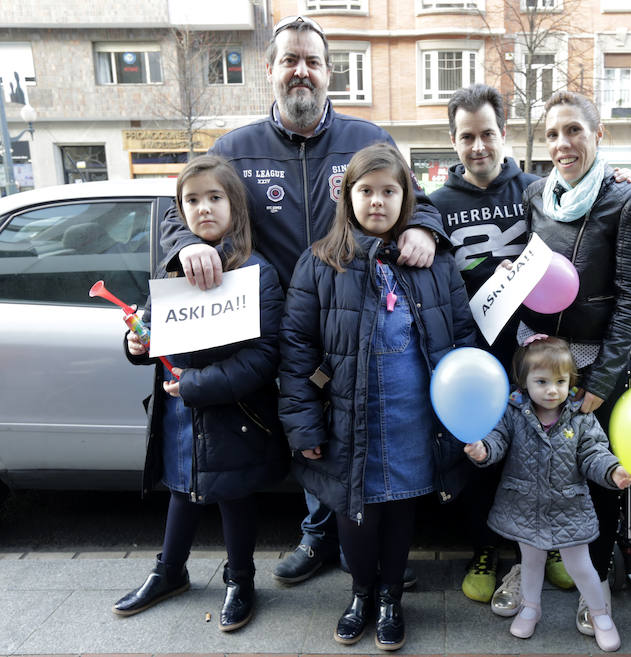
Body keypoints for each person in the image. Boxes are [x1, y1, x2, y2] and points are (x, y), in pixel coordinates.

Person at [159, 15, 445, 587]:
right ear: (269, 71)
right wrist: (187, 243)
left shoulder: (368, 140)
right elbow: (181, 209)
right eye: (289, 61)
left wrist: (427, 231)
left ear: (329, 72)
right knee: (309, 436)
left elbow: (416, 201)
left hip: (353, 321)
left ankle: (367, 552)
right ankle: (319, 538)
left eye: (312, 61)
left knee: (352, 434)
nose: (301, 72)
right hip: (271, 328)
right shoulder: (234, 150)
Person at [429, 83, 631, 606]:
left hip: (540, 355)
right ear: (453, 142)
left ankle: (551, 548)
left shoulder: (533, 188)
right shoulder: (434, 203)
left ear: (504, 135)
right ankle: (487, 548)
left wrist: (620, 178)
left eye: (487, 134)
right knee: (484, 455)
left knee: (547, 456)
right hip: (475, 360)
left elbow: (590, 204)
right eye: (466, 137)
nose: (477, 146)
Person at [278, 143, 477, 651]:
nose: (377, 202)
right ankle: (360, 593)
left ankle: (391, 596)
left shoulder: (433, 261)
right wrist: (305, 427)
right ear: (347, 198)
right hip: (348, 418)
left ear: (406, 197)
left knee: (400, 509)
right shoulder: (321, 263)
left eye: (389, 191)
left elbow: (461, 338)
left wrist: (465, 413)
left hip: (412, 415)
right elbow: (297, 351)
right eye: (365, 191)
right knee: (355, 513)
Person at [505, 90, 631, 637]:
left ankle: (594, 592)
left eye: (573, 130)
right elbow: (529, 272)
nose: (562, 144)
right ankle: (531, 573)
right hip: (540, 360)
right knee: (531, 468)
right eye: (552, 134)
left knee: (593, 477)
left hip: (593, 368)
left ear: (599, 135)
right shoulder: (536, 194)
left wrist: (603, 378)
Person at [113, 155, 289, 632]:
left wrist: (197, 385)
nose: (204, 208)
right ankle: (169, 570)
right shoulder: (174, 269)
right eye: (192, 200)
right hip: (182, 417)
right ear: (180, 208)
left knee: (233, 495)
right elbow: (151, 337)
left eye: (215, 198)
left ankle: (241, 579)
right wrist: (136, 342)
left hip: (234, 413)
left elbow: (263, 357)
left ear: (236, 206)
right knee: (182, 490)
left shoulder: (256, 272)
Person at [463, 336, 631, 650]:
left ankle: (600, 614)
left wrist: (613, 471)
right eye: (541, 381)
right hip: (525, 502)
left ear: (571, 381)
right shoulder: (514, 412)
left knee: (581, 565)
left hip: (568, 505)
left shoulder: (580, 416)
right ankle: (531, 607)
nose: (552, 390)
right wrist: (483, 450)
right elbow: (497, 440)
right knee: (530, 561)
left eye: (560, 381)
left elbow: (594, 453)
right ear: (524, 382)